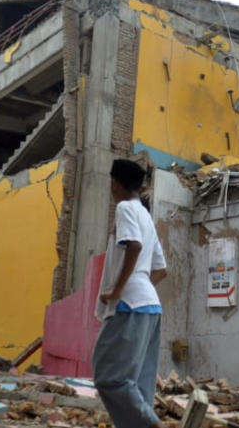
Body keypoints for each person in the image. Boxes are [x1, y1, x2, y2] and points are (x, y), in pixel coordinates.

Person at [92, 159, 167, 428]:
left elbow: (133, 246)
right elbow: (161, 269)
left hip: (130, 304)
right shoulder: (145, 215)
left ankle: (150, 425)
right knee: (140, 383)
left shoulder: (124, 208)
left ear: (115, 183)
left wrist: (118, 289)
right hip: (150, 305)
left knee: (109, 376)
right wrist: (140, 286)